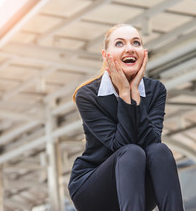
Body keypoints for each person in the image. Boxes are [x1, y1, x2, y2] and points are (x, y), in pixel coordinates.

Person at [68, 24, 184, 211]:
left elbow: (151, 142)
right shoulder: (88, 95)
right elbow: (121, 146)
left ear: (143, 53)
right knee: (132, 152)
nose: (129, 48)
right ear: (106, 56)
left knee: (159, 151)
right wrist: (124, 93)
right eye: (120, 43)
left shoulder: (156, 90)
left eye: (135, 43)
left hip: (138, 187)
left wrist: (135, 92)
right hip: (94, 189)